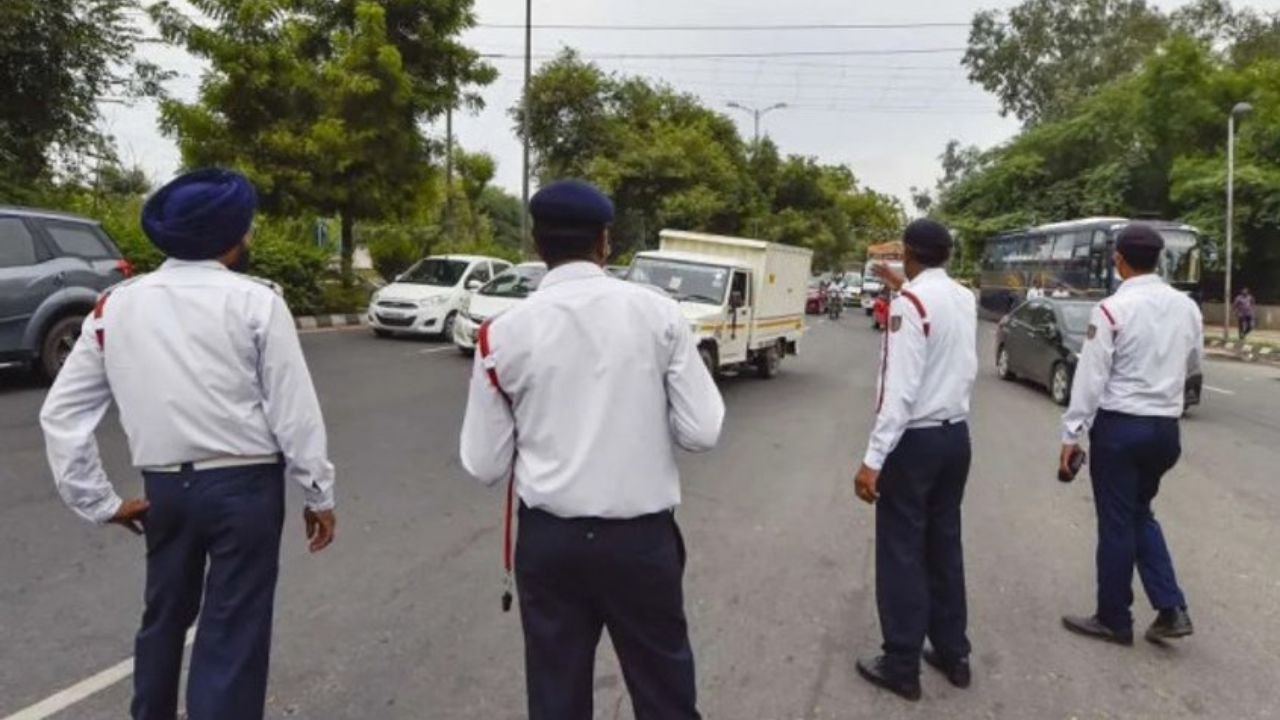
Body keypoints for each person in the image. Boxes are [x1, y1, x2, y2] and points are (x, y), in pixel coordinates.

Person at [39, 168, 337, 720]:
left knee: (164, 615)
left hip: (165, 490)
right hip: (244, 488)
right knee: (233, 629)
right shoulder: (257, 303)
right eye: (245, 230)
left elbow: (62, 413)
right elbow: (293, 412)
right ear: (230, 239)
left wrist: (99, 502)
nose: (247, 239)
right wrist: (318, 493)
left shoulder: (115, 306)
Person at [459, 179, 724, 720]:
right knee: (664, 689)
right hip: (641, 543)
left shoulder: (502, 333)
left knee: (557, 694)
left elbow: (485, 464)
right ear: (605, 242)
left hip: (551, 544)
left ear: (537, 245)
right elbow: (703, 430)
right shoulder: (661, 316)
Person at [851, 219, 978, 702]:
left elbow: (899, 392)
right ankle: (953, 652)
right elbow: (933, 301)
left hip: (915, 444)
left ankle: (902, 662)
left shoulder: (910, 304)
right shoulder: (962, 298)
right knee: (944, 544)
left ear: (908, 252)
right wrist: (902, 280)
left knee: (902, 550)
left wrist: (872, 459)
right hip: (955, 439)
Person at [1059, 223, 1202, 647]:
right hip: (1165, 431)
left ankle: (1113, 618)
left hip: (1121, 428)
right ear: (1158, 259)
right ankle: (1171, 608)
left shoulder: (1110, 310)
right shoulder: (1187, 307)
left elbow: (1090, 377)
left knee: (1118, 522)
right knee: (1139, 512)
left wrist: (1072, 435)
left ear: (1119, 260)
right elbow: (1192, 360)